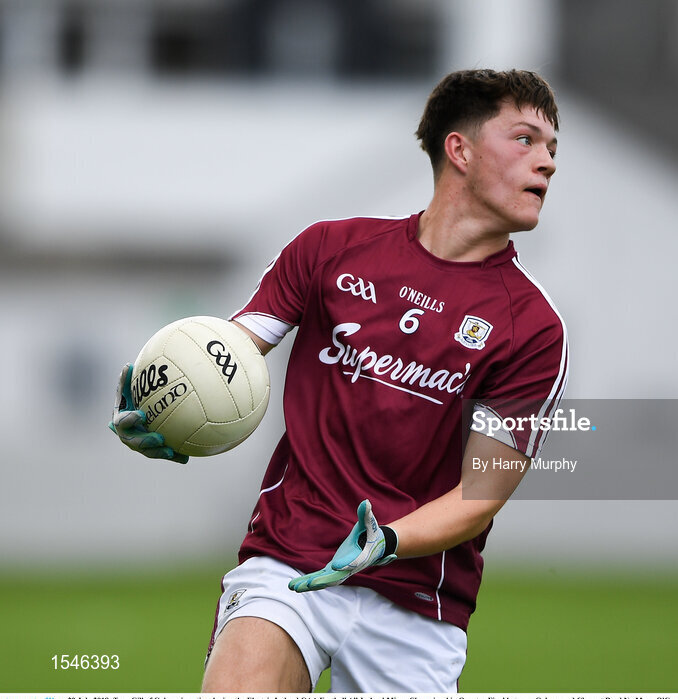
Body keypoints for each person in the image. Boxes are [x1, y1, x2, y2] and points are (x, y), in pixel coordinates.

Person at [109, 68, 568, 692]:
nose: (546, 163)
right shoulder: (330, 250)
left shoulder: (533, 328)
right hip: (288, 562)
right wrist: (156, 399)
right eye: (525, 140)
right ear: (459, 149)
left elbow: (480, 493)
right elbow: (226, 353)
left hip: (416, 606)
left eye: (552, 148)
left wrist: (387, 541)